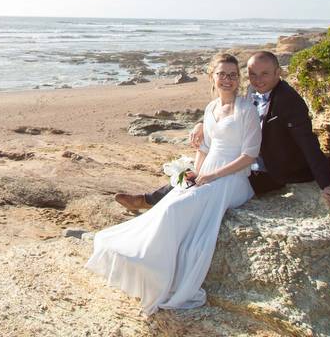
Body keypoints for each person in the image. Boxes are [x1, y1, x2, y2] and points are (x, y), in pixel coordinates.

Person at [84, 53, 261, 314]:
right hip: (207, 171)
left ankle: (155, 269)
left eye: (233, 75)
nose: (227, 79)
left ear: (239, 79)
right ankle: (142, 258)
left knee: (174, 209)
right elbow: (204, 147)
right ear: (212, 76)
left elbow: (250, 155)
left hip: (232, 179)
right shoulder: (210, 108)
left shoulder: (246, 110)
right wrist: (196, 173)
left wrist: (212, 176)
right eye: (222, 74)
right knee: (173, 199)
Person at [114, 51, 330, 211]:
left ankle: (150, 202)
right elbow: (225, 110)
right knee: (194, 173)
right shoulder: (251, 92)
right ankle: (149, 200)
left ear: (278, 73)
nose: (258, 80)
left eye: (265, 74)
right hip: (241, 156)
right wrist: (201, 123)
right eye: (253, 74)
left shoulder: (289, 101)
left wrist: (329, 183)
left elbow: (307, 142)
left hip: (269, 169)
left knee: (202, 188)